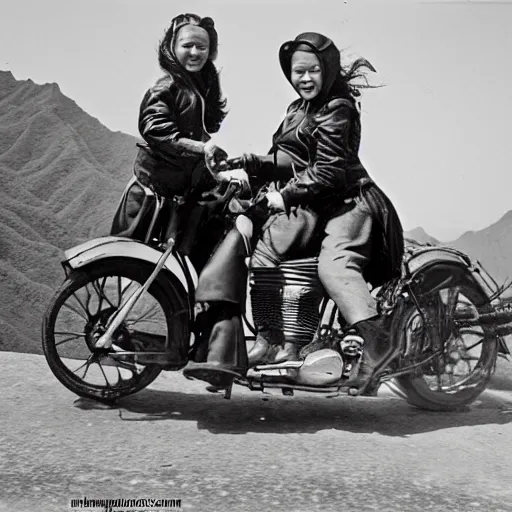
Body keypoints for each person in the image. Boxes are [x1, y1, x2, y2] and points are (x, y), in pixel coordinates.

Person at [183, 32, 404, 395]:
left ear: (327, 69)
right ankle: (272, 342)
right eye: (298, 71)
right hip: (317, 202)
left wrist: (282, 198)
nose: (305, 78)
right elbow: (291, 159)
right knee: (264, 252)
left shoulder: (338, 109)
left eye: (314, 70)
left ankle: (379, 345)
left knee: (334, 266)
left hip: (350, 202)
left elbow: (328, 171)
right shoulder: (298, 110)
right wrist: (247, 164)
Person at [110, 13, 229, 271]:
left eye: (202, 47)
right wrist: (202, 148)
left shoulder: (200, 86)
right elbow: (156, 130)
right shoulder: (164, 88)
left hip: (182, 187)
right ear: (171, 48)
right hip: (159, 189)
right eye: (187, 45)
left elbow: (207, 127)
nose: (195, 52)